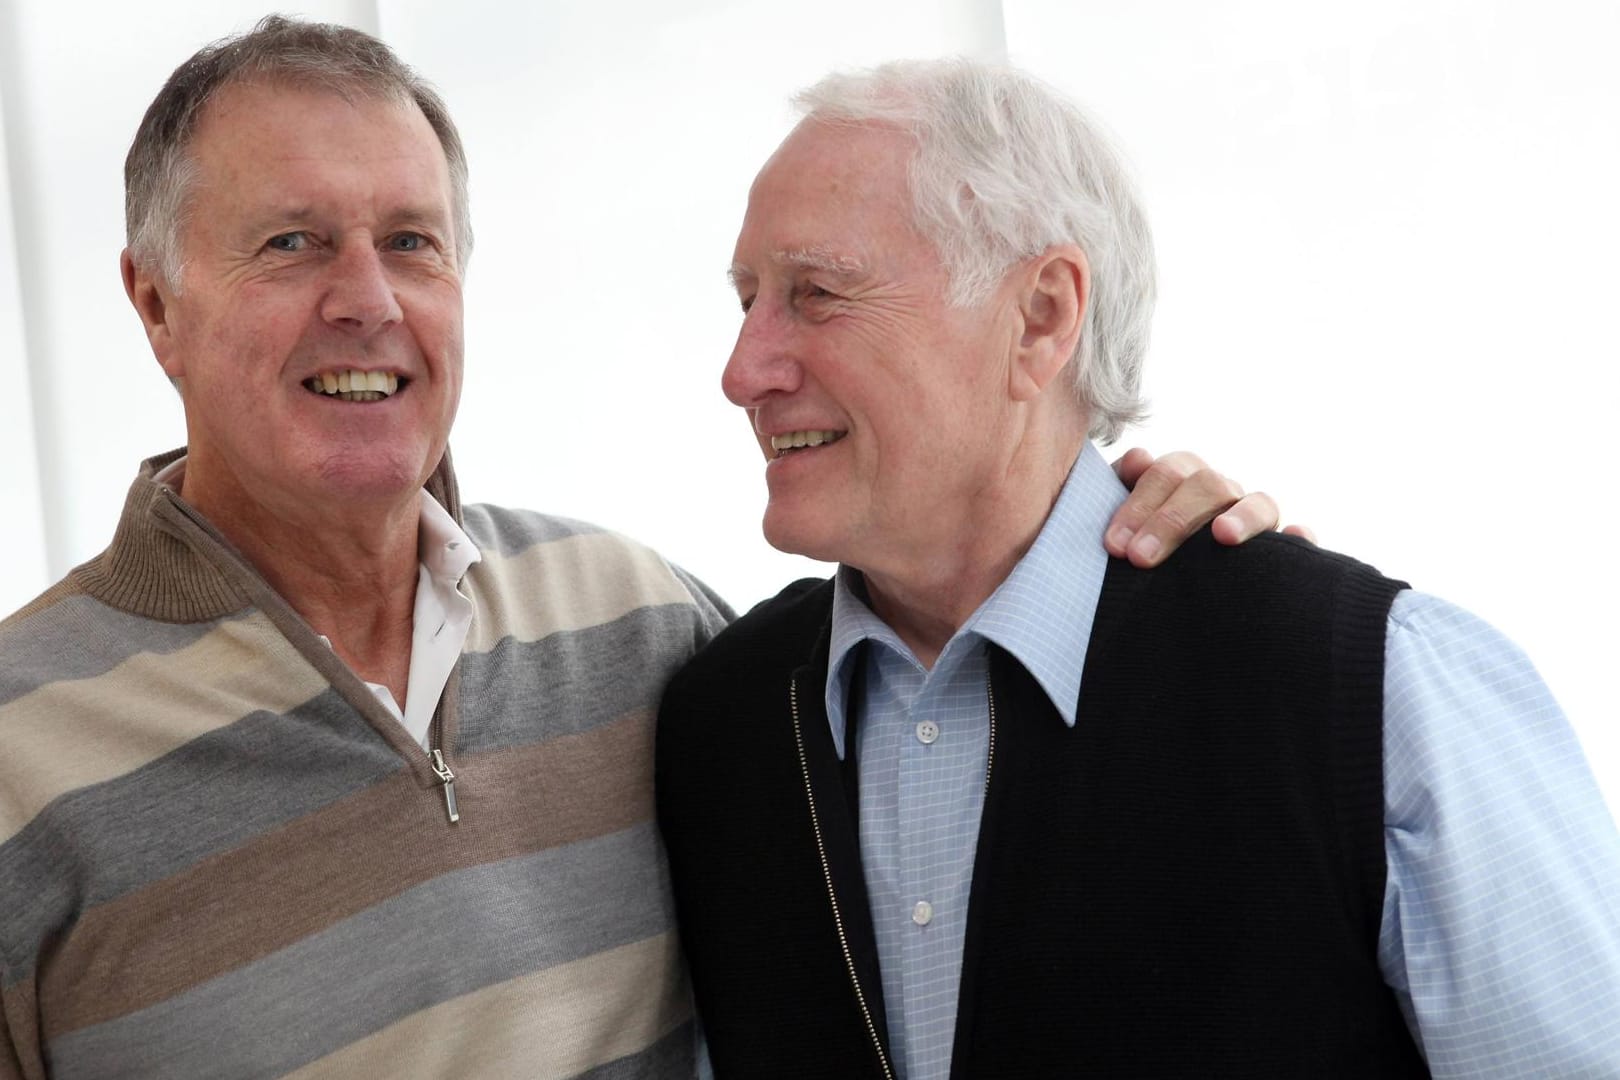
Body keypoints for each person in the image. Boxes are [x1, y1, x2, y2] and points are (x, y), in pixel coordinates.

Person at [0, 19, 1277, 1079]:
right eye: (290, 242)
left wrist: (1143, 531)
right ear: (156, 305)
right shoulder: (18, 749)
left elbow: (943, 646)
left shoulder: (640, 622)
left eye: (410, 241)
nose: (368, 300)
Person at [656, 58, 1620, 1078]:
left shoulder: (1380, 690)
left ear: (1041, 318)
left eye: (817, 294)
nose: (742, 371)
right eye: (749, 299)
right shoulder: (719, 723)